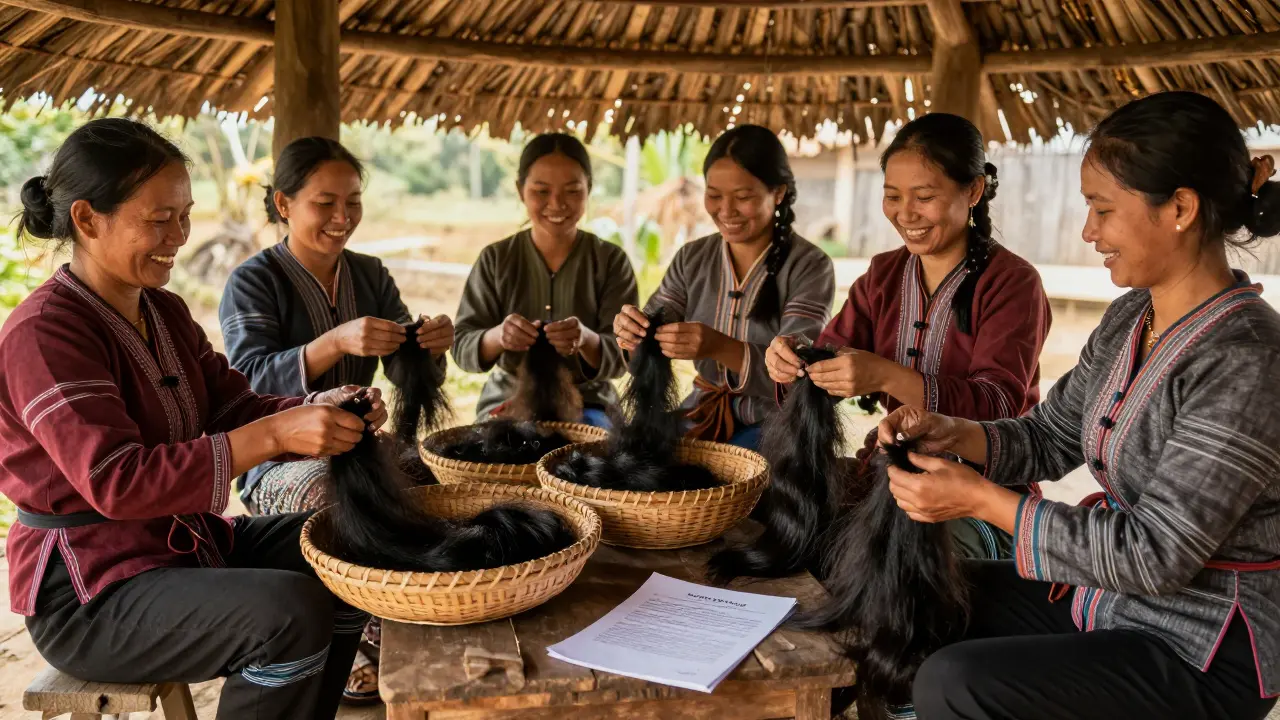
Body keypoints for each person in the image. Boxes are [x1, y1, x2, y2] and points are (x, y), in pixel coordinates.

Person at [880, 92, 1280, 720]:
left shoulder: (1247, 359)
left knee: (955, 682)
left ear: (1179, 208)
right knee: (920, 594)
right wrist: (951, 432)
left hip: (1201, 647)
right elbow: (1048, 435)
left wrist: (982, 500)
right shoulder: (1131, 318)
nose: (1089, 232)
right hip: (1110, 600)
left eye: (1102, 210)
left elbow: (1153, 554)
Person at [0, 118, 385, 720]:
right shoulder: (46, 334)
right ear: (86, 219)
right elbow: (117, 480)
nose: (179, 235)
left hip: (178, 549)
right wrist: (274, 435)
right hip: (89, 594)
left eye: (185, 215)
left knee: (352, 543)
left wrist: (314, 413)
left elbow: (231, 406)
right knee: (290, 612)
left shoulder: (164, 310)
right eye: (158, 219)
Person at [217, 136, 451, 702]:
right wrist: (332, 343)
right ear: (283, 204)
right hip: (276, 462)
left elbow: (406, 372)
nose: (342, 218)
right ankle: (369, 639)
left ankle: (414, 620)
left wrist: (426, 346)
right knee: (331, 503)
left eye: (353, 201)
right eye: (325, 203)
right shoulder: (253, 281)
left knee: (430, 485)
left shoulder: (369, 275)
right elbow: (244, 380)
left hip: (359, 444)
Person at [764, 113, 1051, 560]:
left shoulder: (1013, 283)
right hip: (889, 475)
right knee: (779, 511)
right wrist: (796, 364)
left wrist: (887, 376)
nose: (905, 213)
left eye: (924, 196)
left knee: (894, 558)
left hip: (979, 495)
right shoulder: (884, 275)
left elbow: (998, 408)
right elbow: (826, 362)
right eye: (892, 196)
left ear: (973, 191)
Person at [613, 124, 836, 450]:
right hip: (701, 414)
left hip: (776, 426)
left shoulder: (810, 266)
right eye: (714, 195)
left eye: (743, 197)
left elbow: (799, 373)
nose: (725, 210)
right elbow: (650, 332)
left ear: (778, 192)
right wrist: (634, 334)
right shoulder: (693, 258)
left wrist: (718, 346)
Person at [452, 133, 638, 425]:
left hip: (589, 404)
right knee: (494, 457)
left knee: (595, 457)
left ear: (589, 188)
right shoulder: (496, 259)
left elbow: (627, 353)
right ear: (520, 190)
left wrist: (585, 339)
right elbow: (461, 344)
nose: (557, 203)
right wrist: (499, 336)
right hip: (508, 399)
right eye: (541, 191)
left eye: (573, 191)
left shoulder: (610, 261)